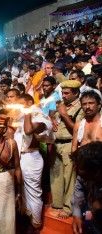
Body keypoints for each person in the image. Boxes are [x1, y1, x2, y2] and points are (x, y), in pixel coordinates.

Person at [14, 94, 53, 228]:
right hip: (19, 158)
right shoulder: (20, 117)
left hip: (31, 158)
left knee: (33, 192)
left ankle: (36, 224)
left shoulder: (41, 118)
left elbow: (29, 130)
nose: (19, 106)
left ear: (30, 102)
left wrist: (28, 112)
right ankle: (26, 220)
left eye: (22, 103)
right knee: (21, 190)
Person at [51, 80, 85, 219]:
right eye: (62, 93)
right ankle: (57, 203)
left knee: (69, 177)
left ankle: (68, 207)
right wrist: (54, 119)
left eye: (66, 93)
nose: (63, 96)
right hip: (56, 143)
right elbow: (55, 118)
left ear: (76, 93)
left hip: (69, 143)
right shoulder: (62, 105)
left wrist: (64, 115)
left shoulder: (81, 107)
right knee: (56, 175)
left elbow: (78, 129)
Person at [71, 142, 102, 234]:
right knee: (88, 216)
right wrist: (76, 214)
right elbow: (78, 192)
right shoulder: (83, 176)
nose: (74, 170)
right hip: (92, 213)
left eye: (79, 167)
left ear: (96, 172)